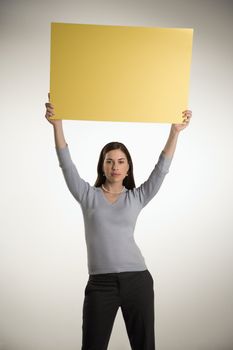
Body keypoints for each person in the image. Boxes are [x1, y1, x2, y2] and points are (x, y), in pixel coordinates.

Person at [45, 94, 192, 350]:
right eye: (109, 160)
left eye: (121, 161)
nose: (115, 166)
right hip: (100, 284)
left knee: (144, 346)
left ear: (128, 167)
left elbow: (161, 170)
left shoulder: (137, 197)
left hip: (138, 280)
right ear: (102, 166)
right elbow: (66, 165)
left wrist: (175, 132)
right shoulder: (87, 195)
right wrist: (58, 125)